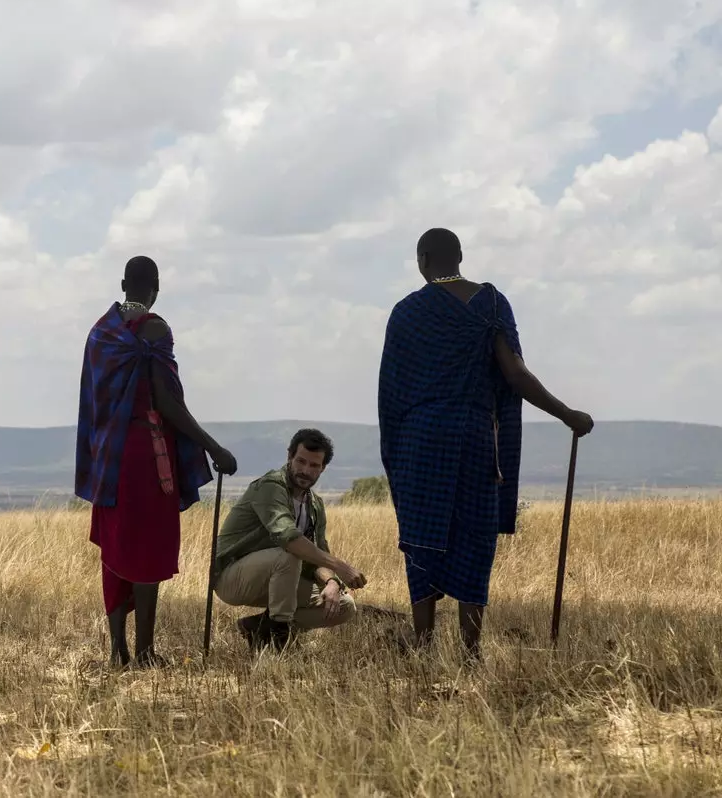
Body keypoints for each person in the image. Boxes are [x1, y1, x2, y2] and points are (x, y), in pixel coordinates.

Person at [377, 227, 594, 661]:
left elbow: (391, 396)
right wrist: (567, 413)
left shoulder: (406, 312)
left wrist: (397, 453)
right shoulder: (492, 303)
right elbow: (514, 374)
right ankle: (471, 650)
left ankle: (422, 642)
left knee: (421, 535)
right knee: (475, 535)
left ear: (422, 261)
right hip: (476, 435)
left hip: (420, 441)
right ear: (460, 256)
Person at [76, 255, 239, 669]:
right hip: (148, 457)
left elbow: (94, 404)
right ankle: (146, 652)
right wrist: (213, 447)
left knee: (116, 548)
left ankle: (117, 650)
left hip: (109, 460)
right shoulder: (154, 328)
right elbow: (167, 402)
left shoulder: (99, 333)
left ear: (122, 283)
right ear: (156, 288)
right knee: (148, 546)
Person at [211, 428, 368, 651]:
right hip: (232, 578)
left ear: (323, 468)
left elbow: (317, 558)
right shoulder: (270, 487)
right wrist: (340, 566)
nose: (305, 470)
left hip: (280, 578)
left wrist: (332, 581)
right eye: (301, 461)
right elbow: (288, 539)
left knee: (344, 605)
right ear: (289, 456)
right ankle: (277, 643)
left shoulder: (315, 504)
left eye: (314, 466)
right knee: (288, 555)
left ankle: (260, 628)